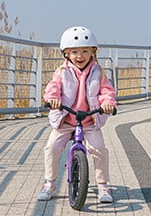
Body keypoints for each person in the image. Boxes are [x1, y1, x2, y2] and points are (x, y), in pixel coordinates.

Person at [38, 26, 117, 203]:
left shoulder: (98, 73)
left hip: (89, 120)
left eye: (85, 51)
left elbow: (106, 91)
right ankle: (49, 183)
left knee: (99, 149)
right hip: (66, 120)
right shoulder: (62, 72)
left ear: (93, 52)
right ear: (66, 53)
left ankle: (103, 185)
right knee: (52, 147)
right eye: (74, 52)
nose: (79, 56)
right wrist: (53, 99)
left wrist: (108, 103)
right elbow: (53, 88)